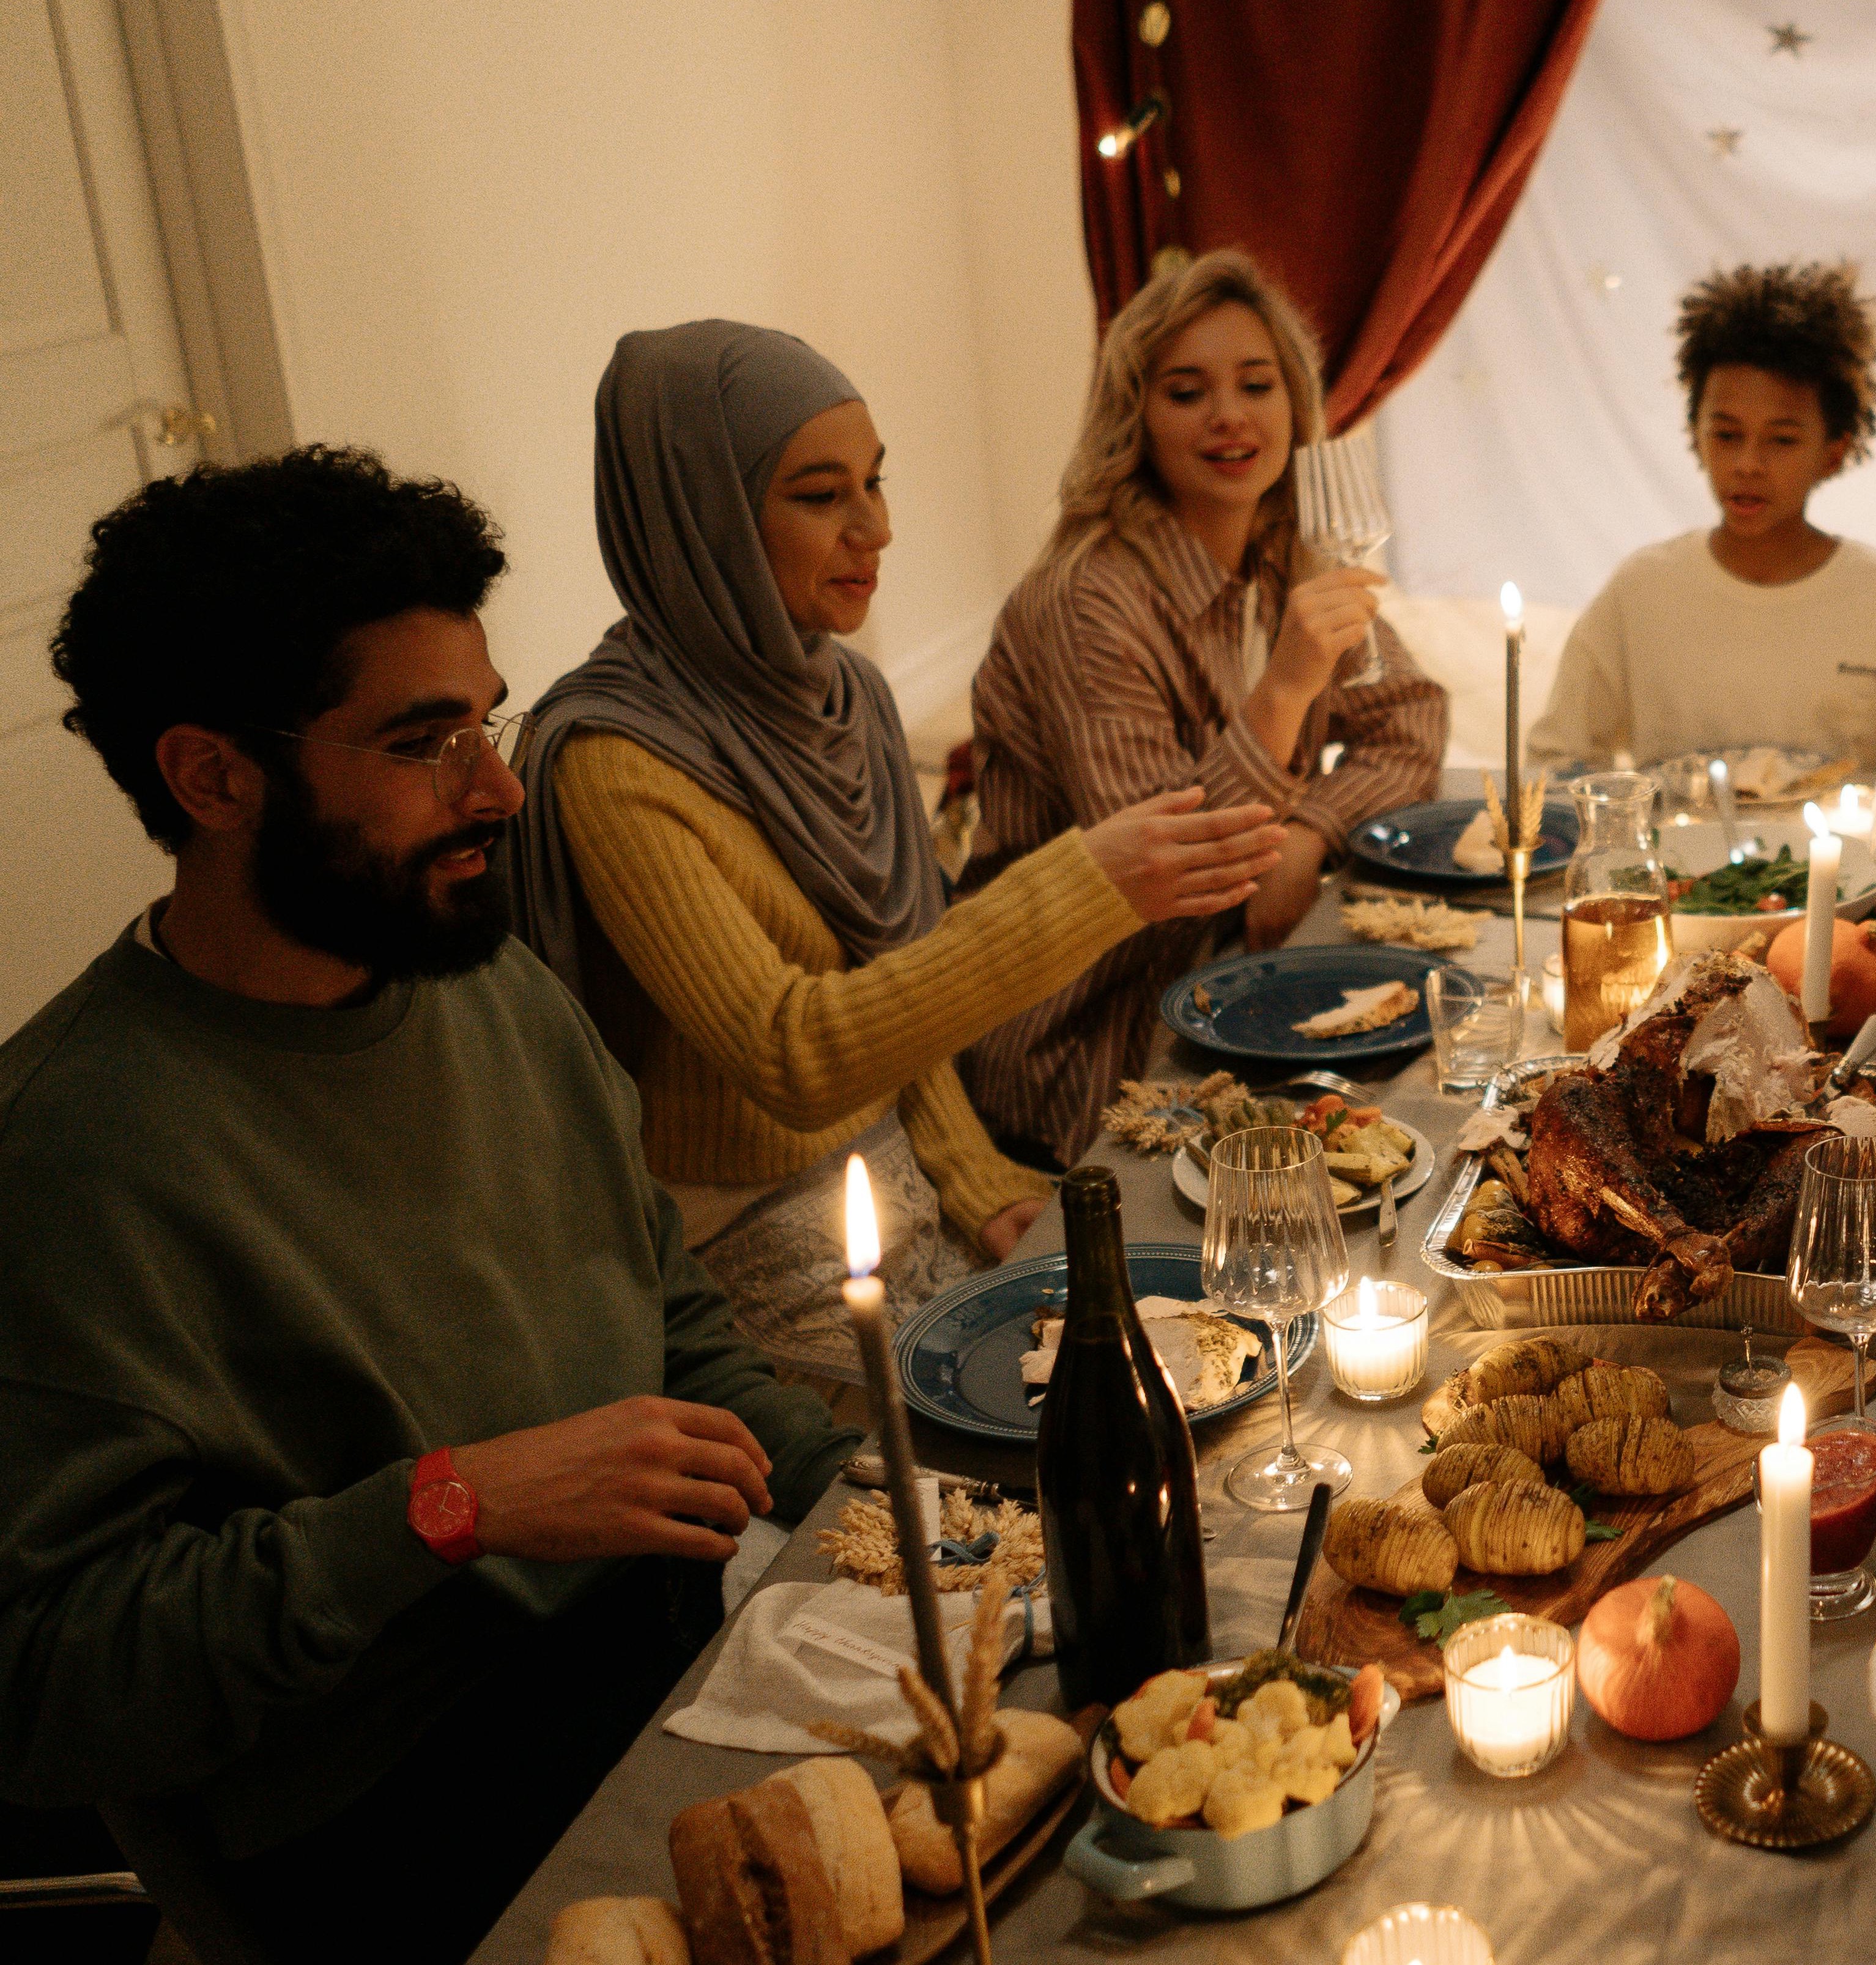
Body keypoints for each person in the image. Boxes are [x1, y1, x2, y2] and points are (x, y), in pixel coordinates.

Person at [0, 446, 864, 1963]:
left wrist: (879, 1502)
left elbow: (673, 1336)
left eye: (486, 719)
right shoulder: (68, 1156)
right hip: (388, 1831)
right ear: (213, 777)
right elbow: (56, 1683)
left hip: (659, 1675)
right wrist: (451, 1508)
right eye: (420, 744)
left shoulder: (486, 986)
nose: (498, 788)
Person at [510, 322, 1285, 1383]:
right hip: (735, 1236)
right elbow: (796, 1055)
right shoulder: (613, 760)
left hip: (905, 1168)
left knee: (1217, 1334)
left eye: (874, 483)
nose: (876, 528)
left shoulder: (842, 694)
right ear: (702, 518)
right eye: (820, 496)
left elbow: (901, 984)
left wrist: (979, 1185)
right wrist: (1085, 883)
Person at [963, 250, 1449, 1171]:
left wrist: (1308, 832)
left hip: (1240, 982)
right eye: (1187, 392)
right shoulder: (1086, 598)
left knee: (1447, 1082)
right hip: (1095, 1037)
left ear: (1294, 405)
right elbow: (1168, 876)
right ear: (1135, 419)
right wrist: (1286, 689)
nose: (1229, 416)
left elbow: (1411, 718)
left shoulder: (1285, 549)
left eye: (1255, 385)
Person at [1526, 261, 1876, 775]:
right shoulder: (1642, 589)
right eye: (1726, 434)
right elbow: (1557, 760)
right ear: (1695, 434)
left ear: (1832, 452)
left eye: (1781, 440)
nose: (1747, 464)